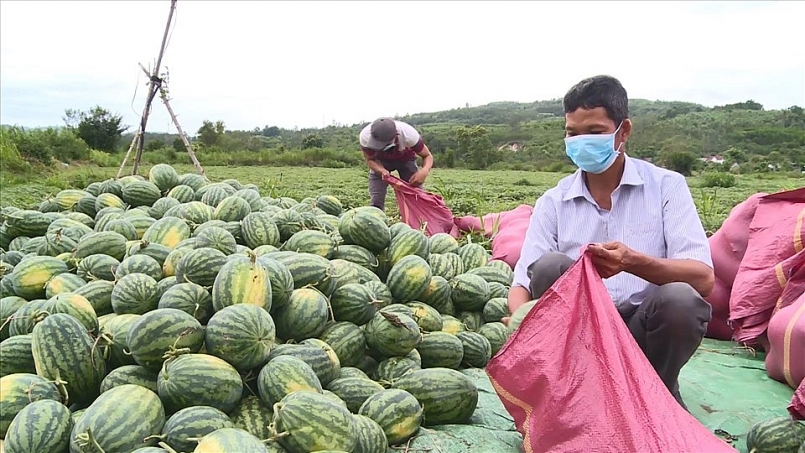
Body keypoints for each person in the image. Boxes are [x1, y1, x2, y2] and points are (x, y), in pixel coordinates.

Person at [505, 75, 715, 410]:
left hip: (643, 330)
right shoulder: (553, 201)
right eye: (573, 133)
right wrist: (521, 319)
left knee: (681, 300)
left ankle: (656, 392)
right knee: (550, 266)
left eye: (595, 131)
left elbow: (703, 278)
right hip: (579, 334)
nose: (581, 141)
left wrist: (634, 262)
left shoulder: (667, 187)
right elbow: (522, 284)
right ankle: (577, 385)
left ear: (624, 131)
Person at [359, 117, 434, 210]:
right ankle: (376, 213)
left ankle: (418, 218)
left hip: (406, 159)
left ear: (395, 136)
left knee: (416, 193)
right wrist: (381, 170)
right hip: (380, 161)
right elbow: (370, 160)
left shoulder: (409, 135)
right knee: (376, 197)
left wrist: (424, 171)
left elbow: (427, 155)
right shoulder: (365, 137)